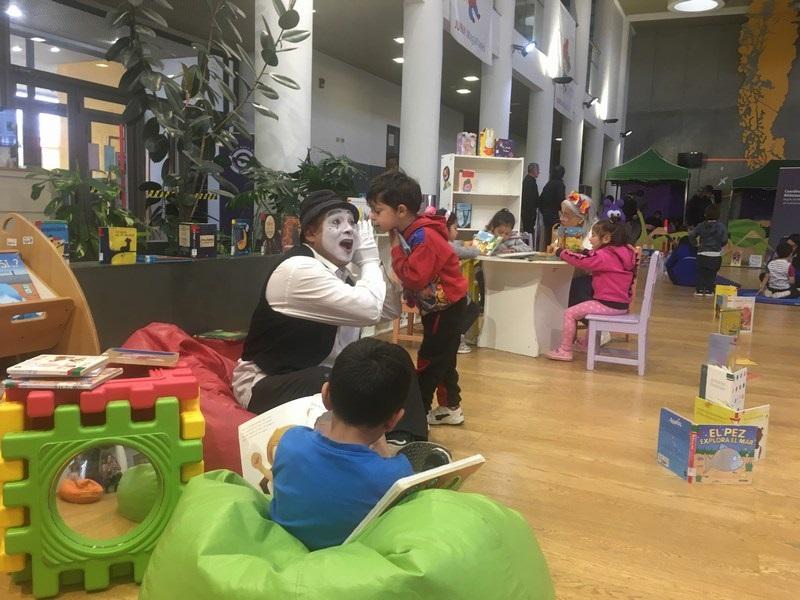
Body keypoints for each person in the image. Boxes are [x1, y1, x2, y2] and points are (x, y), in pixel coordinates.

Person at [233, 189, 428, 444]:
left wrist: (375, 262)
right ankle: (358, 447)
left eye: (352, 223)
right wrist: (368, 261)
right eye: (336, 222)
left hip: (320, 373)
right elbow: (369, 309)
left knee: (393, 358)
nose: (348, 230)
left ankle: (407, 443)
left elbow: (389, 309)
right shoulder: (298, 269)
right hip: (267, 382)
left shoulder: (340, 273)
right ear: (311, 234)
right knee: (331, 379)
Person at [270, 338, 436, 550]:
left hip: (283, 551)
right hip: (347, 563)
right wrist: (383, 448)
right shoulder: (396, 474)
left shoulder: (290, 442)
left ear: (326, 395)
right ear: (394, 420)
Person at [367, 171, 468, 426]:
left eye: (377, 211)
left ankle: (416, 417)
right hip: (443, 307)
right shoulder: (413, 231)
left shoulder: (423, 236)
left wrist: (394, 249)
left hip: (446, 309)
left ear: (401, 210)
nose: (372, 216)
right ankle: (450, 407)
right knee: (444, 360)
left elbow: (414, 277)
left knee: (429, 361)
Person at [544, 217, 637, 362]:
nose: (590, 239)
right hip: (621, 305)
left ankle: (565, 350)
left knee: (570, 313)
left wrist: (560, 252)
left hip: (607, 304)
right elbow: (594, 257)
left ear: (606, 238)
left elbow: (583, 262)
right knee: (588, 302)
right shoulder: (623, 253)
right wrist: (584, 251)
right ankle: (588, 344)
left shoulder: (605, 256)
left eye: (593, 235)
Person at [444, 210, 480, 354]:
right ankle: (457, 338)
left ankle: (453, 337)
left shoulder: (438, 242)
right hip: (449, 290)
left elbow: (457, 244)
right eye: (455, 228)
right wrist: (477, 247)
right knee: (473, 309)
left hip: (443, 289)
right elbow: (471, 252)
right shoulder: (448, 246)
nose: (457, 231)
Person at [687, 203, 728, 297]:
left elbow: (691, 235)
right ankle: (709, 290)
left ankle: (700, 290)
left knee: (701, 273)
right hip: (715, 255)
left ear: (706, 214)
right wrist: (719, 245)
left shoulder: (701, 225)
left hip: (702, 253)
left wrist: (696, 244)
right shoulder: (722, 226)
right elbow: (724, 240)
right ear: (718, 214)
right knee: (712, 274)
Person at [538, 165, 566, 247]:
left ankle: (548, 249)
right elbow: (561, 200)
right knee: (557, 235)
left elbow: (540, 200)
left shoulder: (548, 184)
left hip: (546, 213)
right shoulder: (560, 185)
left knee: (548, 235)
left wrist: (544, 211)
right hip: (555, 214)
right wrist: (563, 212)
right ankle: (555, 249)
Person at [521, 162, 540, 237]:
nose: (539, 172)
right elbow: (531, 198)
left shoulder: (527, 180)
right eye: (538, 170)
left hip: (526, 211)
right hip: (529, 212)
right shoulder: (530, 182)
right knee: (529, 231)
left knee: (527, 230)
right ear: (534, 170)